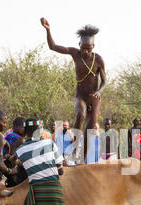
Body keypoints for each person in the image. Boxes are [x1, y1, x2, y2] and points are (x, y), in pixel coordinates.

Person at [40, 18, 106, 158]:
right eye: (83, 47)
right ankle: (75, 148)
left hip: (94, 97)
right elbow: (53, 46)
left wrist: (100, 91)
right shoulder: (75, 53)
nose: (86, 51)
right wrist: (48, 30)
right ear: (79, 44)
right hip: (80, 95)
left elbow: (104, 81)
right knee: (80, 114)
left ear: (93, 46)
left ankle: (82, 158)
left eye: (89, 48)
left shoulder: (98, 59)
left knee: (90, 130)